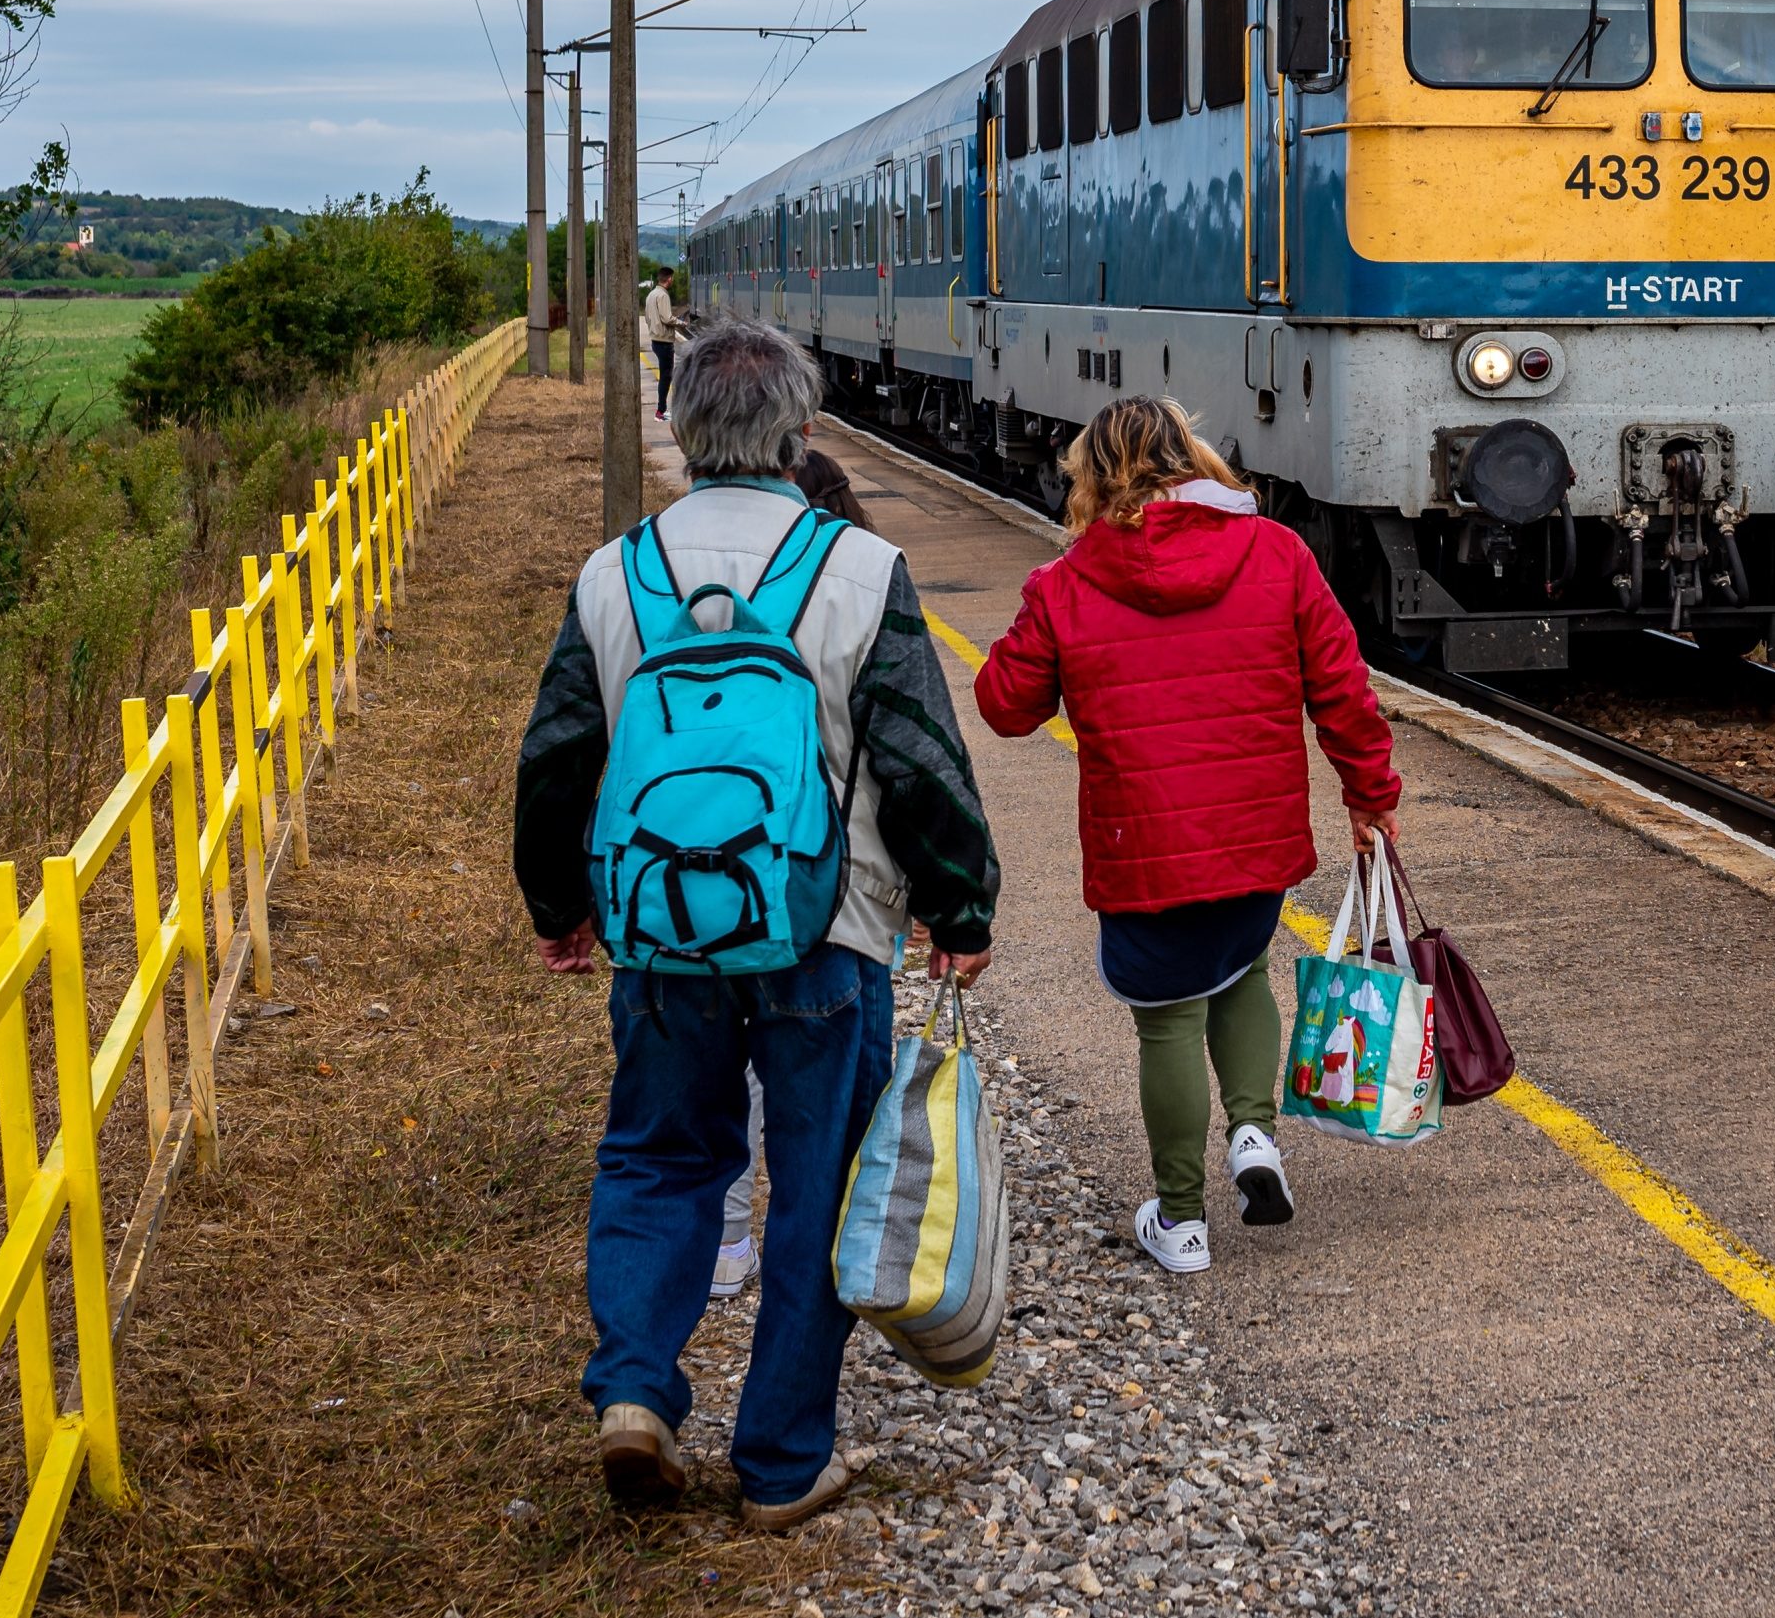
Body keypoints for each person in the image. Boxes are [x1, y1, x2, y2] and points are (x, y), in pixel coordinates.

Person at [514, 316, 1000, 1529]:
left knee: (659, 1156)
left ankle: (634, 1390)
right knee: (817, 1186)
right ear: (798, 428)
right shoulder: (856, 568)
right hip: (825, 934)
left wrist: (561, 904)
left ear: (679, 427)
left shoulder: (612, 571)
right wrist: (961, 904)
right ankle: (783, 1458)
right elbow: (920, 760)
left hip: (662, 933)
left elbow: (559, 755)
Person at [974, 398, 1400, 1276]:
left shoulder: (1066, 583)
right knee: (1243, 968)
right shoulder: (1277, 552)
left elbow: (1005, 708)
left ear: (1093, 479)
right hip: (1257, 832)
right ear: (1195, 460)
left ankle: (1181, 1221)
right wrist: (1371, 794)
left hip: (1144, 843)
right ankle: (1253, 1138)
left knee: (1167, 1019)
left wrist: (1042, 617)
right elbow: (1342, 687)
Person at [641, 268, 682, 418]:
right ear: (669, 279)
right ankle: (661, 411)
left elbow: (647, 318)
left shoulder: (651, 294)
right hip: (664, 341)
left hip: (655, 340)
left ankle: (662, 409)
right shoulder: (663, 295)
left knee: (664, 375)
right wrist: (681, 323)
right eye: (672, 278)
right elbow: (667, 318)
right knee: (666, 377)